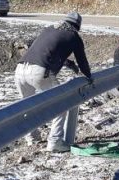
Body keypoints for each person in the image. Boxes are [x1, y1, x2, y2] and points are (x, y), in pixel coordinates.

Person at [14, 12, 93, 153]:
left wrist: (69, 64)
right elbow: (83, 61)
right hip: (39, 72)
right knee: (61, 103)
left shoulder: (49, 29)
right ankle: (55, 142)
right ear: (77, 26)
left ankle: (32, 138)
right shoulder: (74, 36)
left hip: (20, 69)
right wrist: (89, 77)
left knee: (27, 106)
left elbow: (48, 50)